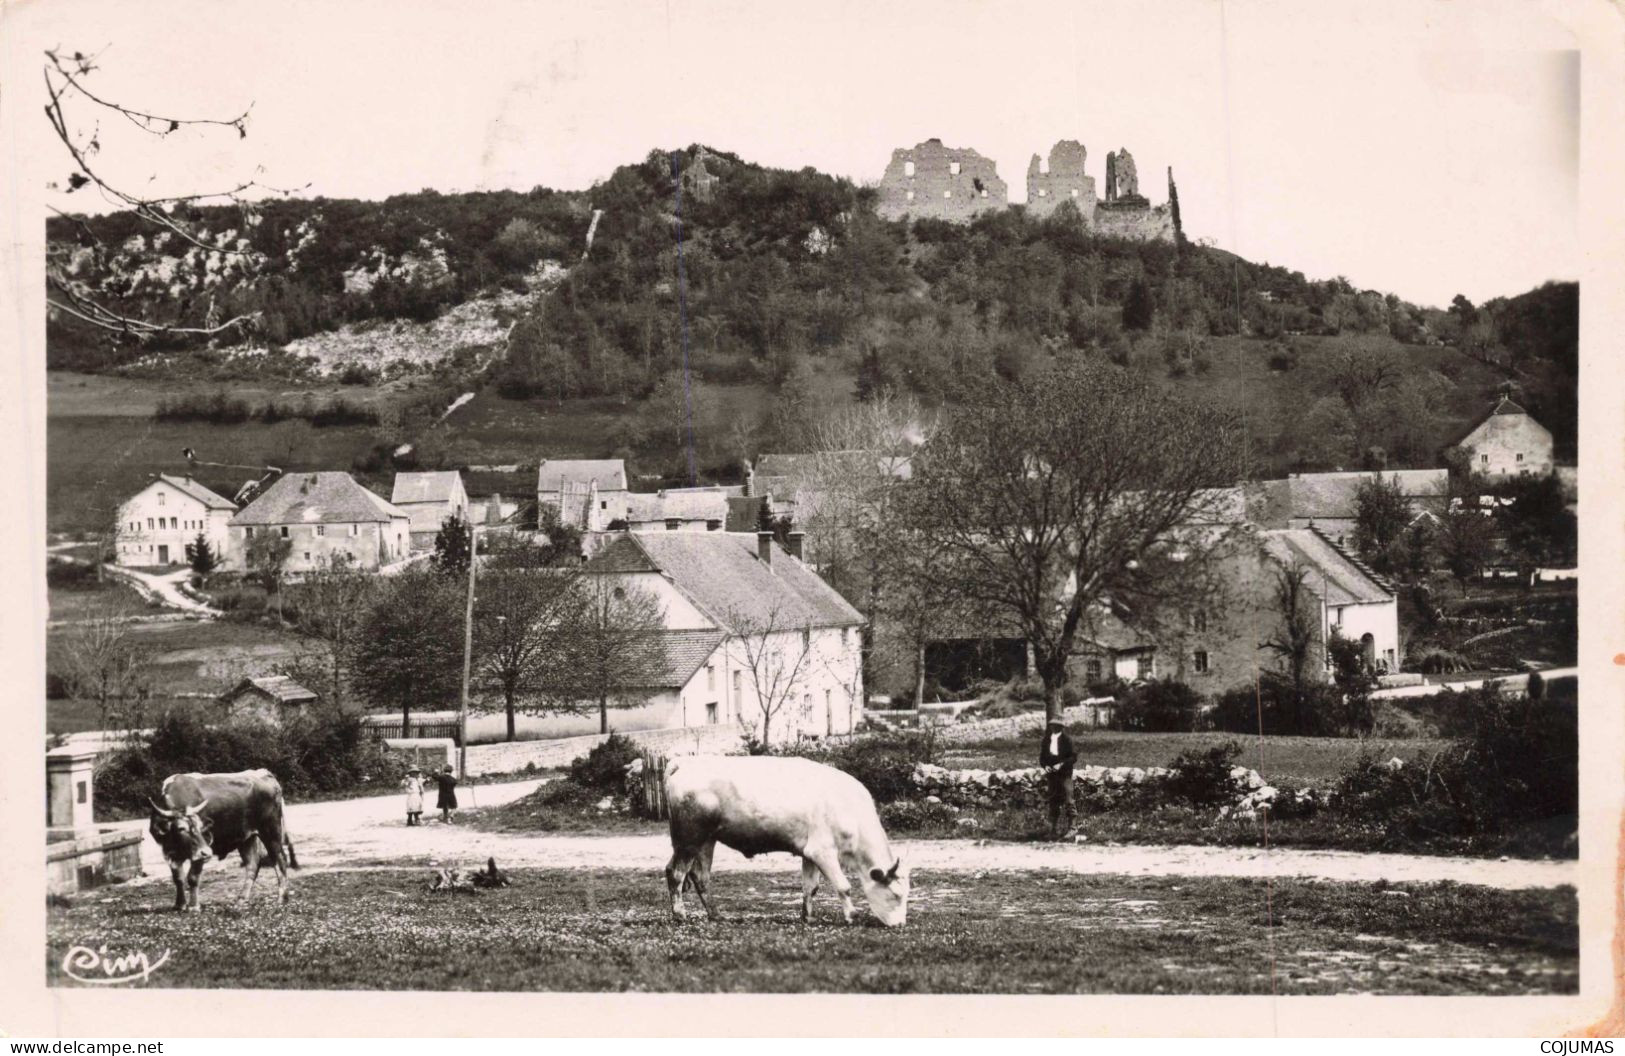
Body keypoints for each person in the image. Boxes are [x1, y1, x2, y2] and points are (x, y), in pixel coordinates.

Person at [1038, 718, 1078, 839]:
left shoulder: (1067, 740)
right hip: (1052, 775)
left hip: (1064, 774)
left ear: (1061, 727)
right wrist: (1046, 766)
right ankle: (1053, 830)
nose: (1053, 728)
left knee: (1068, 799)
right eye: (1052, 726)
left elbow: (1073, 757)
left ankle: (1073, 828)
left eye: (1056, 726)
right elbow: (1042, 757)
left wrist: (1061, 764)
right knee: (1053, 800)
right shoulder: (1046, 740)